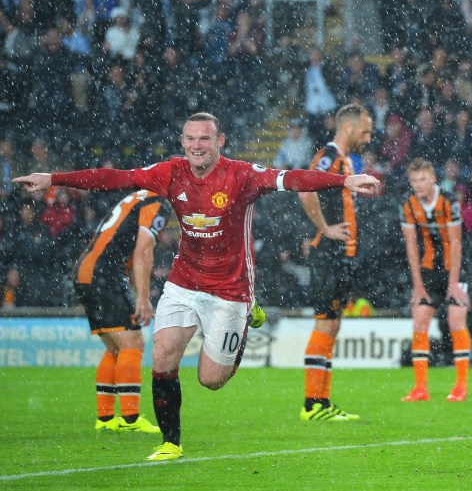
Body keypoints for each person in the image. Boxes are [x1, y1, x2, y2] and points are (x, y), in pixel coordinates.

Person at [14, 113, 380, 461]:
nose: (197, 145)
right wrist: (55, 178)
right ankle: (170, 442)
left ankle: (244, 319)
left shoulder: (242, 175)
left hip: (230, 290)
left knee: (211, 379)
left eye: (204, 138)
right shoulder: (170, 172)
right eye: (190, 138)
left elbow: (294, 178)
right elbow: (115, 177)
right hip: (184, 281)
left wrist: (344, 181)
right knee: (162, 354)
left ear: (220, 141)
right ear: (182, 142)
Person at [298, 103, 374, 422]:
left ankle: (323, 402)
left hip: (341, 256)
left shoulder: (344, 161)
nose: (369, 137)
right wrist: (324, 228)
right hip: (328, 253)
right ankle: (312, 404)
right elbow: (305, 189)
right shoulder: (329, 155)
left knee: (334, 323)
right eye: (366, 131)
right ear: (350, 129)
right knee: (325, 322)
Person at [77, 189, 171, 434]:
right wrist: (142, 297)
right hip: (104, 274)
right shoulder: (157, 201)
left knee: (114, 348)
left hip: (87, 270)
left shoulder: (138, 196)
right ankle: (130, 419)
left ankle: (106, 418)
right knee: (133, 343)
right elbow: (143, 249)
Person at [399, 157, 471, 402]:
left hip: (456, 268)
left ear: (433, 179)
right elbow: (411, 246)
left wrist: (453, 282)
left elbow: (456, 243)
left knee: (455, 321)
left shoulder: (449, 202)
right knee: (419, 320)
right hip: (429, 268)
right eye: (414, 180)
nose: (418, 185)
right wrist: (418, 285)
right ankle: (420, 388)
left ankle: (460, 387)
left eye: (423, 179)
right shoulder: (408, 205)